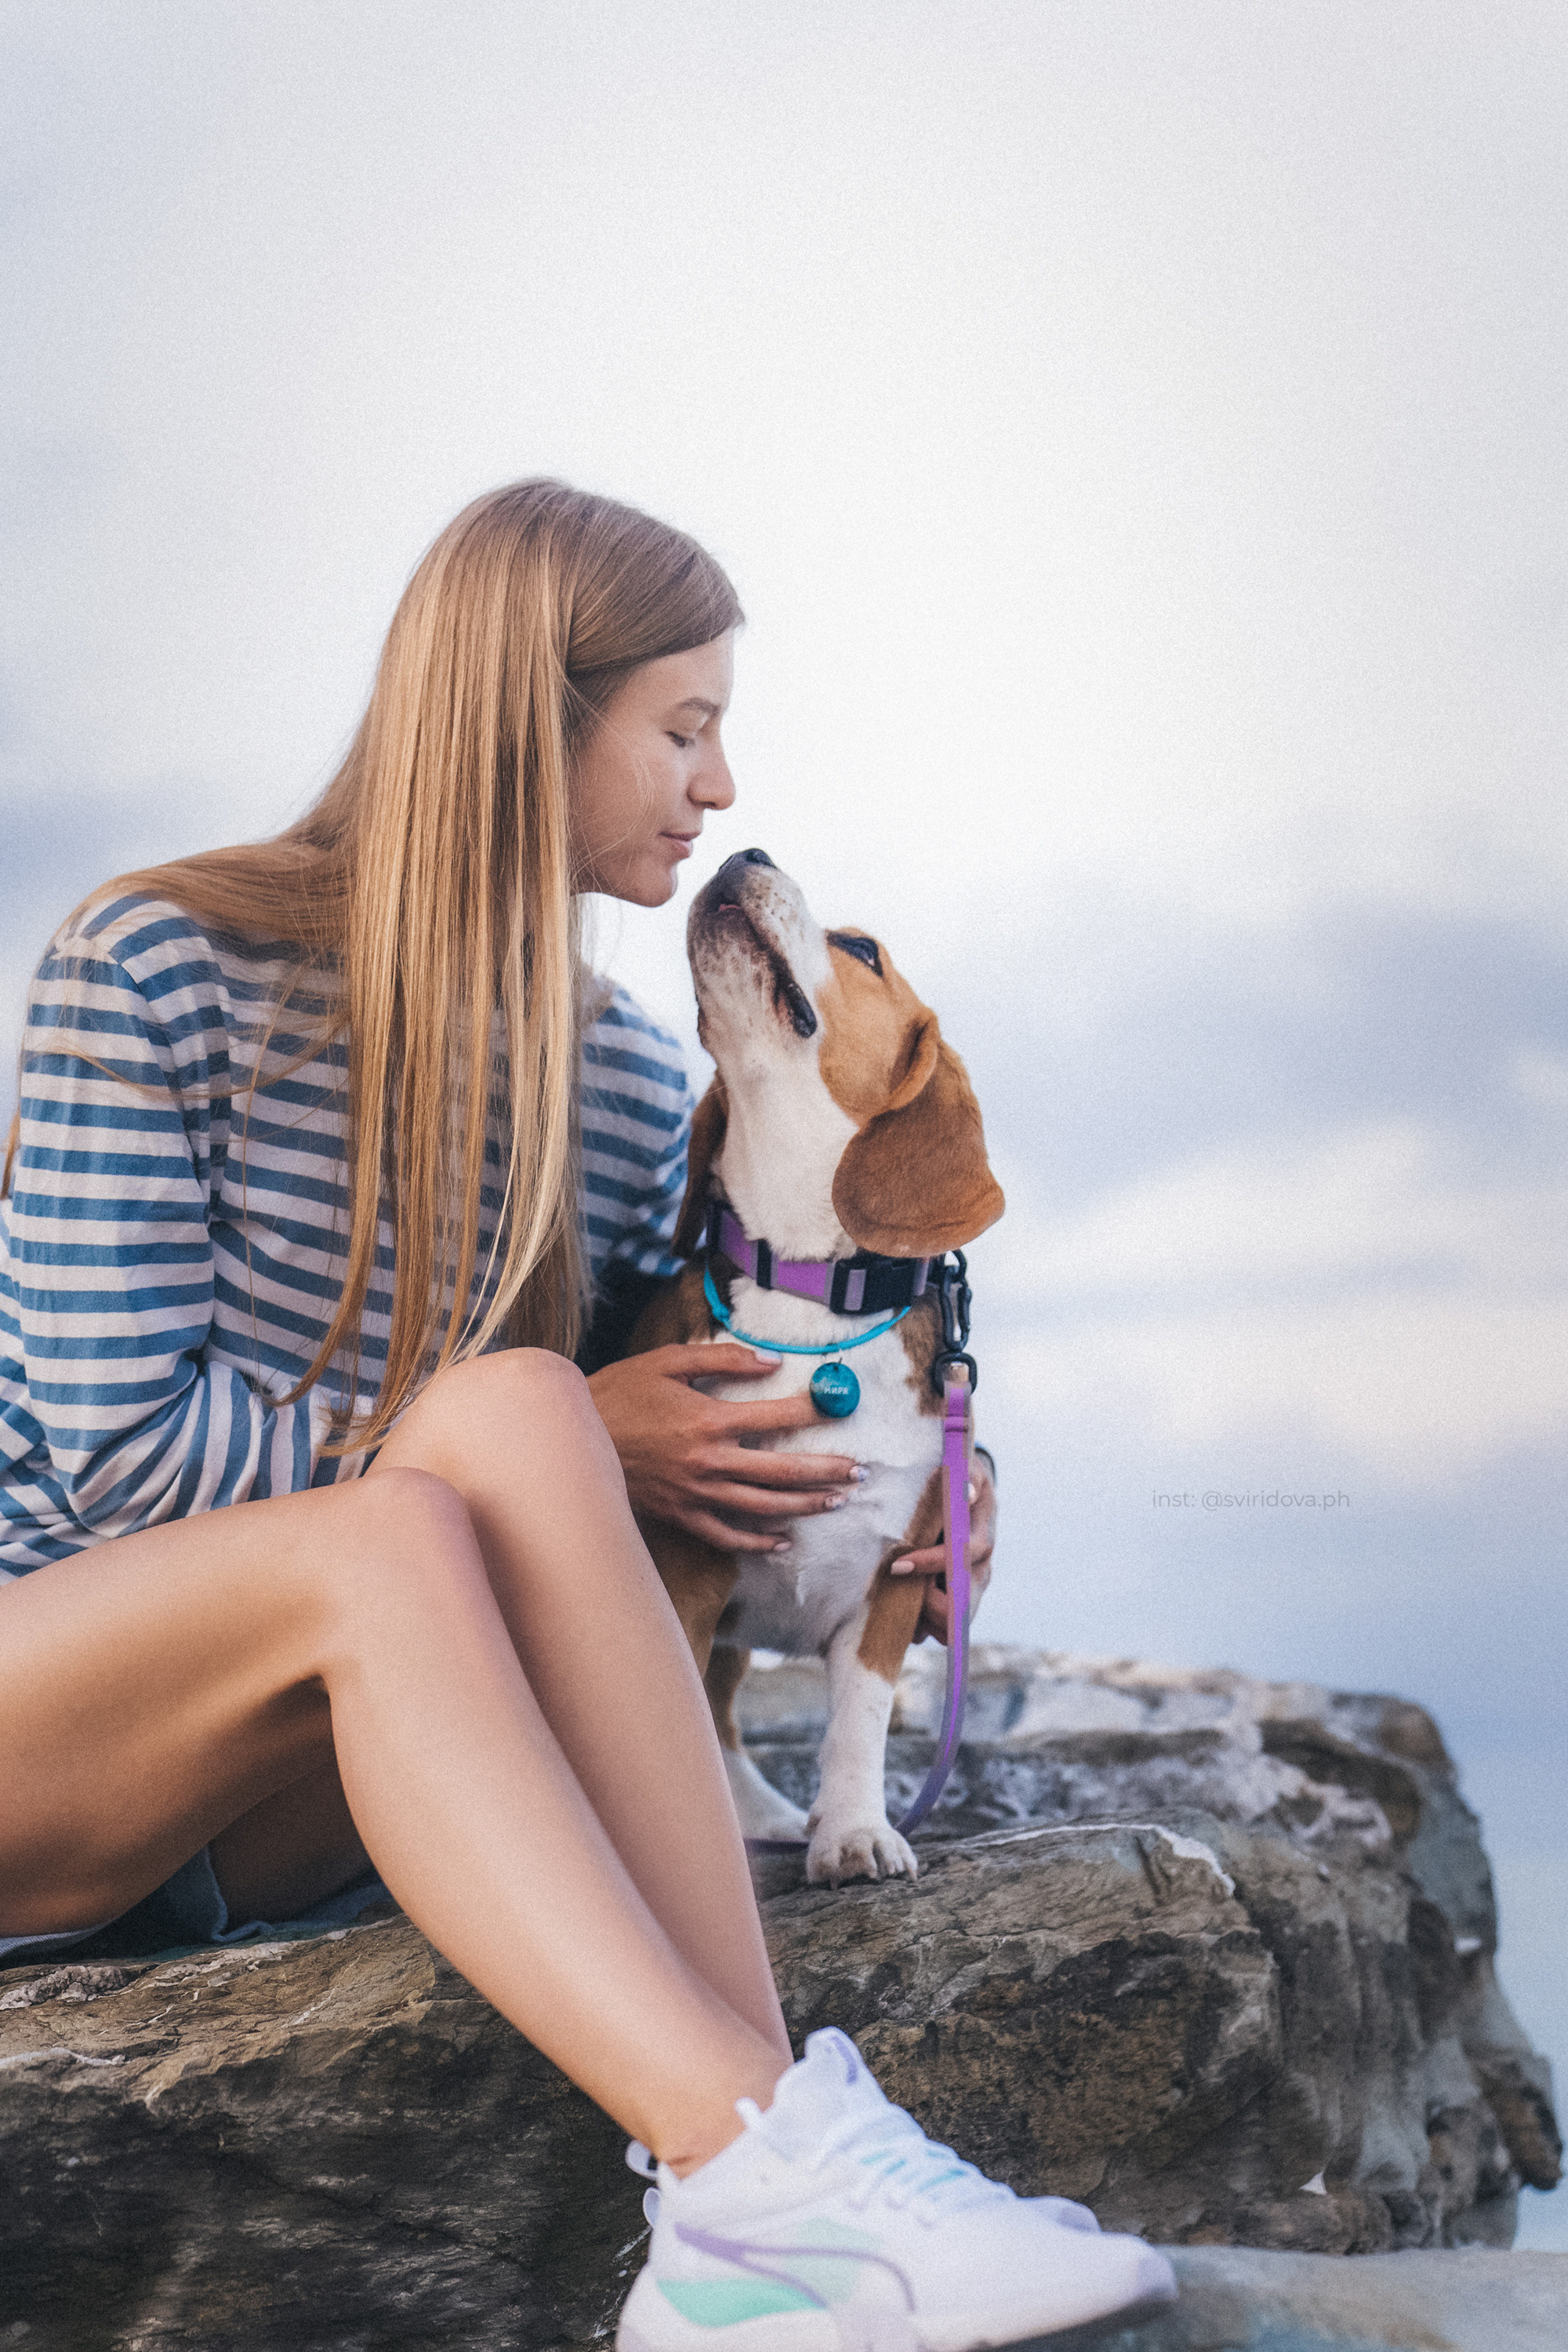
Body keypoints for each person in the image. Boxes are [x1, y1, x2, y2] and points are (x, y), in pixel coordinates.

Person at [0, 482, 1174, 2346]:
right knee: (474, 1451)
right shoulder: (151, 966)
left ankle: (761, 2214)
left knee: (526, 1418)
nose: (717, 791)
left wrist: (873, 1490)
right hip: (56, 1738)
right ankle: (755, 2165)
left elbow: (647, 1449)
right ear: (523, 716)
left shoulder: (626, 1082)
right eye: (682, 726)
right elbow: (111, 1452)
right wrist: (533, 1446)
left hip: (310, 1796)